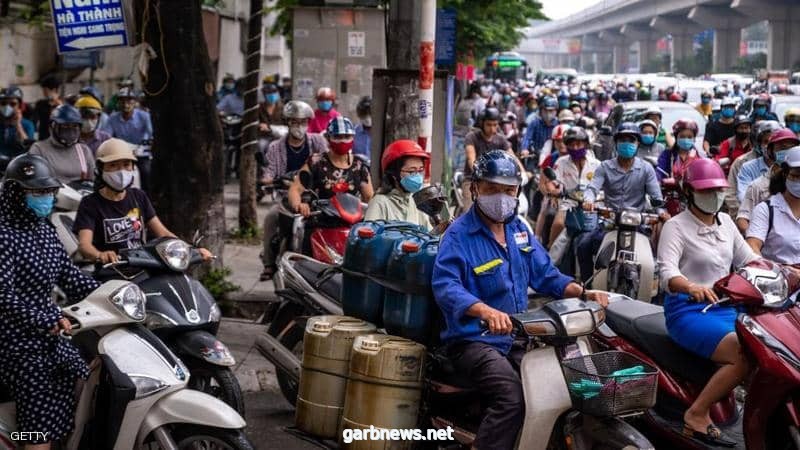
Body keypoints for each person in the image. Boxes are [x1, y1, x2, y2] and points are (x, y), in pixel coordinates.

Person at [432, 150, 608, 450]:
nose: (501, 197)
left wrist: (583, 291)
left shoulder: (518, 230)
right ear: (475, 189)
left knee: (555, 389)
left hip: (517, 336)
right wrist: (485, 311)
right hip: (474, 341)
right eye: (491, 189)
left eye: (508, 190)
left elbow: (546, 276)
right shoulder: (458, 235)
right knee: (511, 397)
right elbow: (446, 286)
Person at [0, 154, 101, 449]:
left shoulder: (44, 229)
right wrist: (45, 319)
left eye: (48, 191)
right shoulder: (4, 235)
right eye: (37, 192)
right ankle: (30, 441)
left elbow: (69, 275)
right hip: (14, 341)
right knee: (40, 419)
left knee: (87, 377)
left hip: (50, 334)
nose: (45, 198)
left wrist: (112, 294)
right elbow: (3, 295)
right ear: (15, 194)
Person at [657, 158, 757, 447]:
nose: (713, 196)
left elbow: (749, 260)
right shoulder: (675, 227)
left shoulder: (725, 222)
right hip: (689, 310)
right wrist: (690, 286)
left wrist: (784, 269)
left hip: (729, 307)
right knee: (742, 354)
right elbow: (667, 272)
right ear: (688, 192)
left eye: (718, 190)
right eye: (705, 190)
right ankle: (697, 413)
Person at [73, 139, 212, 264]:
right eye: (113, 165)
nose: (121, 171)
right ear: (100, 169)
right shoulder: (90, 203)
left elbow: (163, 234)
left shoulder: (138, 196)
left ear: (133, 167)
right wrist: (100, 255)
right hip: (111, 271)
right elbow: (84, 245)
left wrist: (190, 249)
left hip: (142, 265)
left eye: (126, 164)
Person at [578, 122, 666, 281]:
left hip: (637, 224)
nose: (627, 144)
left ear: (637, 143)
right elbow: (592, 188)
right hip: (609, 222)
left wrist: (661, 212)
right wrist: (588, 200)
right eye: (622, 140)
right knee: (583, 245)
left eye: (631, 140)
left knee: (654, 257)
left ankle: (655, 293)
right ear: (616, 143)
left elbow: (656, 197)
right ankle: (586, 287)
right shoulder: (604, 167)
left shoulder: (646, 169)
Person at [259, 100, 328, 280]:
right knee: (271, 218)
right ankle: (268, 263)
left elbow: (327, 163)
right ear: (287, 123)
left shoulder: (318, 142)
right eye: (295, 122)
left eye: (303, 122)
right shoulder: (275, 147)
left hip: (314, 198)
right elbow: (269, 171)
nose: (299, 126)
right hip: (285, 197)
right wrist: (267, 179)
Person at [287, 116, 373, 216]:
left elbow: (369, 197)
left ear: (353, 138)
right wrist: (299, 205)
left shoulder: (359, 166)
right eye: (337, 137)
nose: (342, 141)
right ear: (328, 138)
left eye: (347, 136)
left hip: (351, 224)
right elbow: (295, 189)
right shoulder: (316, 162)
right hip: (320, 221)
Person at [546, 127, 600, 248]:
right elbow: (551, 182)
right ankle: (549, 256)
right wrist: (554, 191)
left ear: (585, 144)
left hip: (592, 206)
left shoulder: (596, 164)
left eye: (578, 144)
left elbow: (605, 185)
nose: (575, 148)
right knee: (559, 223)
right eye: (571, 145)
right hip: (568, 204)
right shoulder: (561, 162)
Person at [746, 146, 800, 263]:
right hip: (779, 278)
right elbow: (752, 246)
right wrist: (777, 271)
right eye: (796, 176)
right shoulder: (766, 210)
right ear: (785, 174)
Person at [364, 139, 431, 230]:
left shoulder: (416, 202)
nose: (418, 176)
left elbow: (430, 236)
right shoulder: (380, 203)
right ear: (394, 174)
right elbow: (368, 239)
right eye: (411, 171)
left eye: (420, 171)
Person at [726, 120, 781, 216]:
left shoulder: (788, 163)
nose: (770, 146)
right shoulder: (743, 163)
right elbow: (731, 194)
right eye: (766, 142)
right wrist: (743, 216)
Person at [462, 107, 513, 211]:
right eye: (489, 125)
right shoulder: (471, 137)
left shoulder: (501, 140)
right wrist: (479, 173)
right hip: (472, 180)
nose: (492, 129)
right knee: (469, 211)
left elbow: (512, 157)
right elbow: (471, 159)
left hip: (496, 182)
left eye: (495, 125)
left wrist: (522, 172)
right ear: (482, 124)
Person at [29, 105, 95, 184]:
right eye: (65, 126)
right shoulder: (39, 149)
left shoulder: (84, 150)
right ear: (53, 126)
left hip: (80, 194)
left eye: (74, 126)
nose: (70, 131)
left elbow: (92, 181)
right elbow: (35, 181)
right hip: (52, 194)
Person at [737, 128, 799, 202]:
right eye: (782, 148)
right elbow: (745, 202)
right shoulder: (758, 186)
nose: (788, 151)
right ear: (771, 151)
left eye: (791, 147)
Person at [0, 87, 34, 160]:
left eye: (12, 104)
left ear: (20, 106)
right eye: (3, 103)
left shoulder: (27, 125)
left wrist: (18, 126)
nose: (7, 107)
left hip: (18, 164)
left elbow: (29, 148)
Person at [32, 75, 63, 140]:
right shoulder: (40, 104)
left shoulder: (63, 105)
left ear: (54, 90)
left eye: (45, 90)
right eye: (43, 90)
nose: (44, 93)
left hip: (58, 139)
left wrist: (58, 104)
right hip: (43, 138)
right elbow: (34, 121)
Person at [257, 83, 285, 154]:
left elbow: (287, 125)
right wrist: (259, 125)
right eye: (268, 93)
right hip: (264, 137)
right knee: (260, 146)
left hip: (279, 137)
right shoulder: (259, 108)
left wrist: (269, 127)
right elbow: (256, 122)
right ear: (264, 95)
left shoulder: (282, 108)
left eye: (274, 93)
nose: (272, 95)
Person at [353, 96, 372, 161]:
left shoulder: (383, 133)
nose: (367, 119)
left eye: (370, 115)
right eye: (364, 115)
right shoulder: (354, 133)